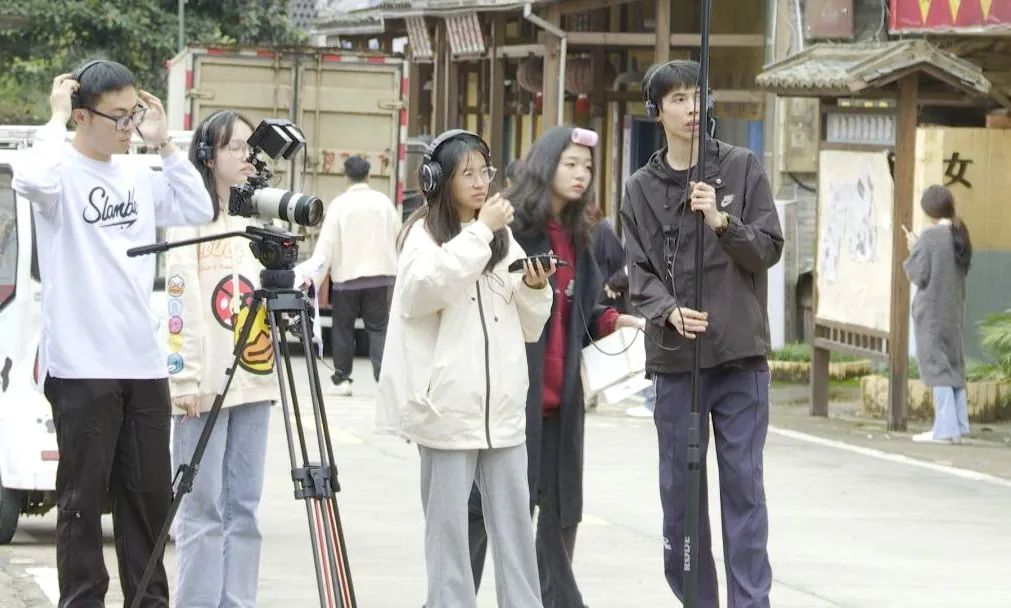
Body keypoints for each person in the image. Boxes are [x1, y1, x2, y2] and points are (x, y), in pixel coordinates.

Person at [11, 59, 213, 606]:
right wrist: (55, 119)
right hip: (81, 367)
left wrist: (163, 143)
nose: (129, 128)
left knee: (147, 499)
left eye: (134, 115)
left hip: (142, 364)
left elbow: (198, 207)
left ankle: (148, 600)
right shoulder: (59, 173)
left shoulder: (138, 175)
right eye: (119, 117)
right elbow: (29, 179)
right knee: (81, 501)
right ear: (82, 116)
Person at [622, 60, 784, 608]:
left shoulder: (741, 167)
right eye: (678, 99)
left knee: (744, 490)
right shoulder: (640, 190)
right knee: (680, 497)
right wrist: (668, 311)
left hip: (740, 357)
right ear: (658, 111)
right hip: (677, 362)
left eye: (698, 95)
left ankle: (750, 603)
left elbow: (767, 249)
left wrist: (721, 220)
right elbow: (636, 273)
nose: (692, 108)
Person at [376, 129, 553, 608]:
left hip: (503, 412)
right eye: (467, 173)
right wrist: (480, 232)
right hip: (446, 410)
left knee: (516, 532)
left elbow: (528, 326)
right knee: (448, 534)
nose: (480, 183)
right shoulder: (423, 235)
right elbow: (421, 292)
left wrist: (536, 288)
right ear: (438, 180)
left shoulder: (502, 239)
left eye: (484, 172)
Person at [469, 125, 643, 608]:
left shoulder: (580, 236)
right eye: (570, 164)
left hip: (560, 402)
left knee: (561, 510)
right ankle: (455, 597)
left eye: (587, 166)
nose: (581, 174)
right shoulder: (511, 230)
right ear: (546, 165)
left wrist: (616, 321)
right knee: (486, 512)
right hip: (508, 399)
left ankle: (556, 600)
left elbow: (583, 311)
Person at [165, 110, 278, 607]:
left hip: (256, 377)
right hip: (205, 383)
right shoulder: (190, 216)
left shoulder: (260, 216)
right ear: (209, 156)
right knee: (201, 508)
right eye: (235, 147)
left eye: (250, 147)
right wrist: (184, 378)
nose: (245, 156)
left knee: (244, 509)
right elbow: (180, 301)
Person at [295, 155, 400, 396]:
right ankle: (385, 380)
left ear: (346, 176)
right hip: (381, 278)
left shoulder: (339, 205)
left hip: (346, 281)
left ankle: (342, 380)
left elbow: (326, 247)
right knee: (379, 329)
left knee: (343, 330)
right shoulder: (384, 203)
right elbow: (399, 237)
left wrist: (313, 282)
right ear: (369, 175)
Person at [904, 185, 973, 444]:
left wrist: (914, 247)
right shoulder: (959, 233)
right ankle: (959, 426)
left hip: (931, 313)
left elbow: (918, 275)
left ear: (930, 211)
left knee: (937, 367)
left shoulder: (930, 236)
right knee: (953, 364)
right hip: (953, 310)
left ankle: (945, 430)